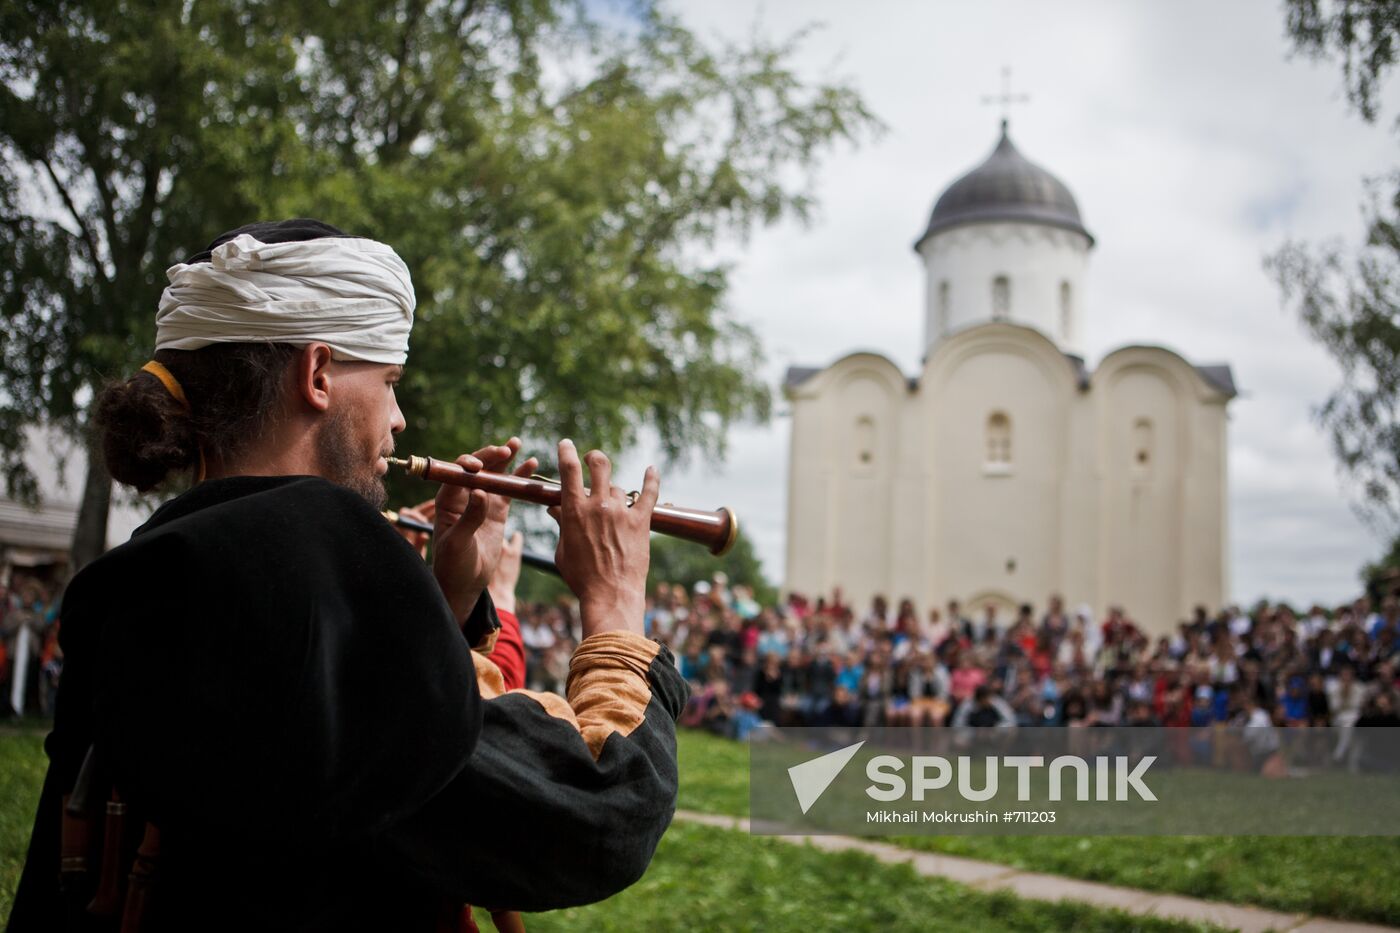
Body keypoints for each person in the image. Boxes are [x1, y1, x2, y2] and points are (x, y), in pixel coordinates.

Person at [9, 220, 688, 932]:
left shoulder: (151, 568)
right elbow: (598, 807)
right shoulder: (313, 556)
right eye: (391, 380)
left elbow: (361, 781)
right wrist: (614, 603)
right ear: (319, 373)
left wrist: (439, 601)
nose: (397, 419)